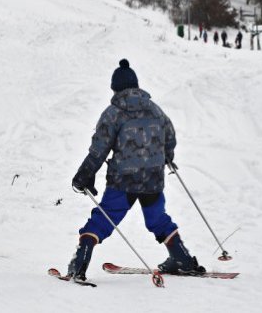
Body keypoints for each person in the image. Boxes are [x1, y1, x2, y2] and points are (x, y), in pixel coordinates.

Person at [63, 59, 205, 282]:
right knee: (157, 219)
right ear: (136, 86)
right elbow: (170, 135)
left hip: (123, 181)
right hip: (152, 179)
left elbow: (98, 150)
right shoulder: (155, 109)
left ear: (115, 89)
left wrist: (84, 175)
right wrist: (166, 157)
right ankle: (182, 259)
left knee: (104, 219)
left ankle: (79, 265)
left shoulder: (112, 113)